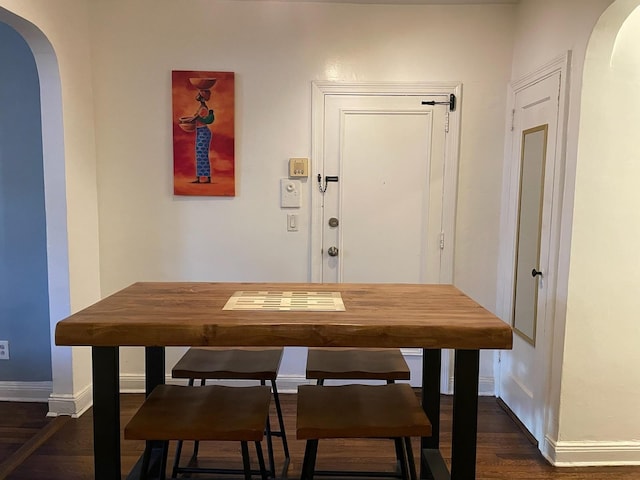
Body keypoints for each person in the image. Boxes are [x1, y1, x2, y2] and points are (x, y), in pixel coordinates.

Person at [186, 89, 215, 183]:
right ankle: (200, 177)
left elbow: (196, 118)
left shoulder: (203, 109)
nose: (197, 96)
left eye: (199, 94)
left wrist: (188, 120)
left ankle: (206, 178)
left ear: (202, 97)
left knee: (202, 155)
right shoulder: (201, 107)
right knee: (199, 155)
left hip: (203, 132)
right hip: (200, 132)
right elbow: (195, 118)